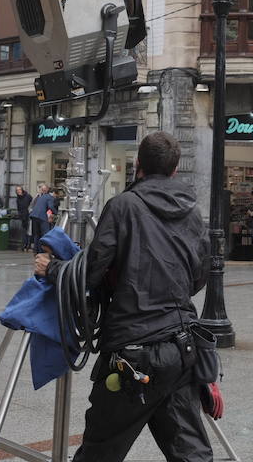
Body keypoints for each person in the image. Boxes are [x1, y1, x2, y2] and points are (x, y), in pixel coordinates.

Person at [35, 131, 211, 462]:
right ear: (175, 170)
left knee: (99, 452)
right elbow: (199, 275)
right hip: (180, 348)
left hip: (134, 352)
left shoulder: (123, 206)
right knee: (191, 454)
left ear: (137, 166)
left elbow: (90, 272)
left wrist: (54, 268)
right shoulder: (193, 212)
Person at [30, 183, 58, 253]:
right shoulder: (50, 197)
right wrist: (57, 213)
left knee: (37, 234)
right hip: (41, 216)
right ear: (54, 193)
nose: (56, 197)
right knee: (45, 233)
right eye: (56, 195)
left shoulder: (42, 196)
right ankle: (43, 250)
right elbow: (50, 207)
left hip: (34, 216)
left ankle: (36, 249)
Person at [14, 185, 33, 252]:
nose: (18, 191)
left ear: (22, 190)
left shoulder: (28, 196)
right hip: (23, 216)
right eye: (17, 190)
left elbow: (32, 204)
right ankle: (24, 245)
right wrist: (20, 214)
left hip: (29, 215)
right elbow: (19, 208)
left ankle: (29, 245)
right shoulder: (18, 199)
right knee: (24, 231)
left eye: (19, 190)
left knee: (29, 231)